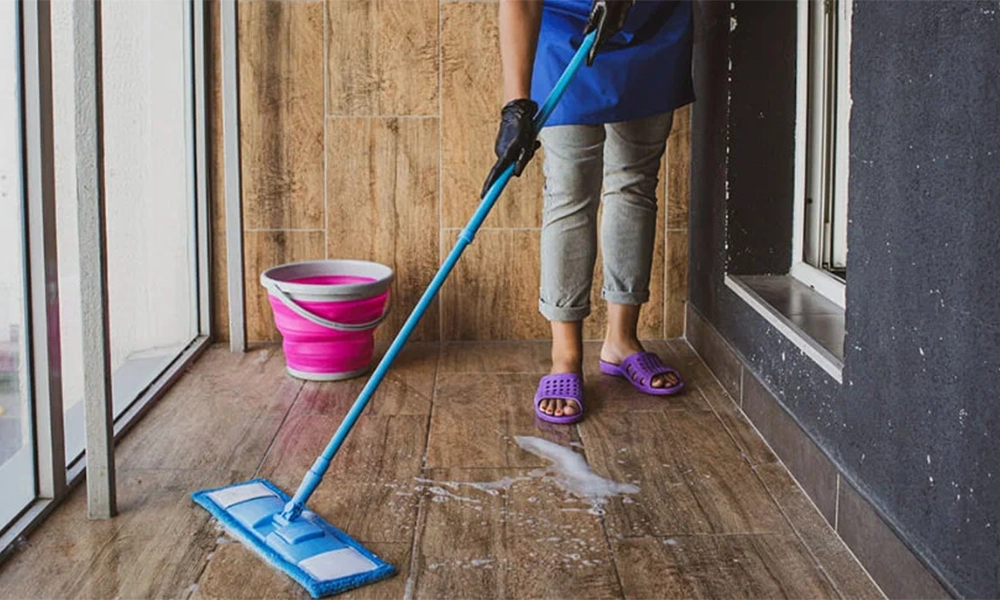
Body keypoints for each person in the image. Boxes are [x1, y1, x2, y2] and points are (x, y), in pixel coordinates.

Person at [484, 0, 694, 424]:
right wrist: (516, 106)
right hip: (566, 29)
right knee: (569, 190)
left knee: (634, 183)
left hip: (652, 24)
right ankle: (565, 355)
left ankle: (621, 339)